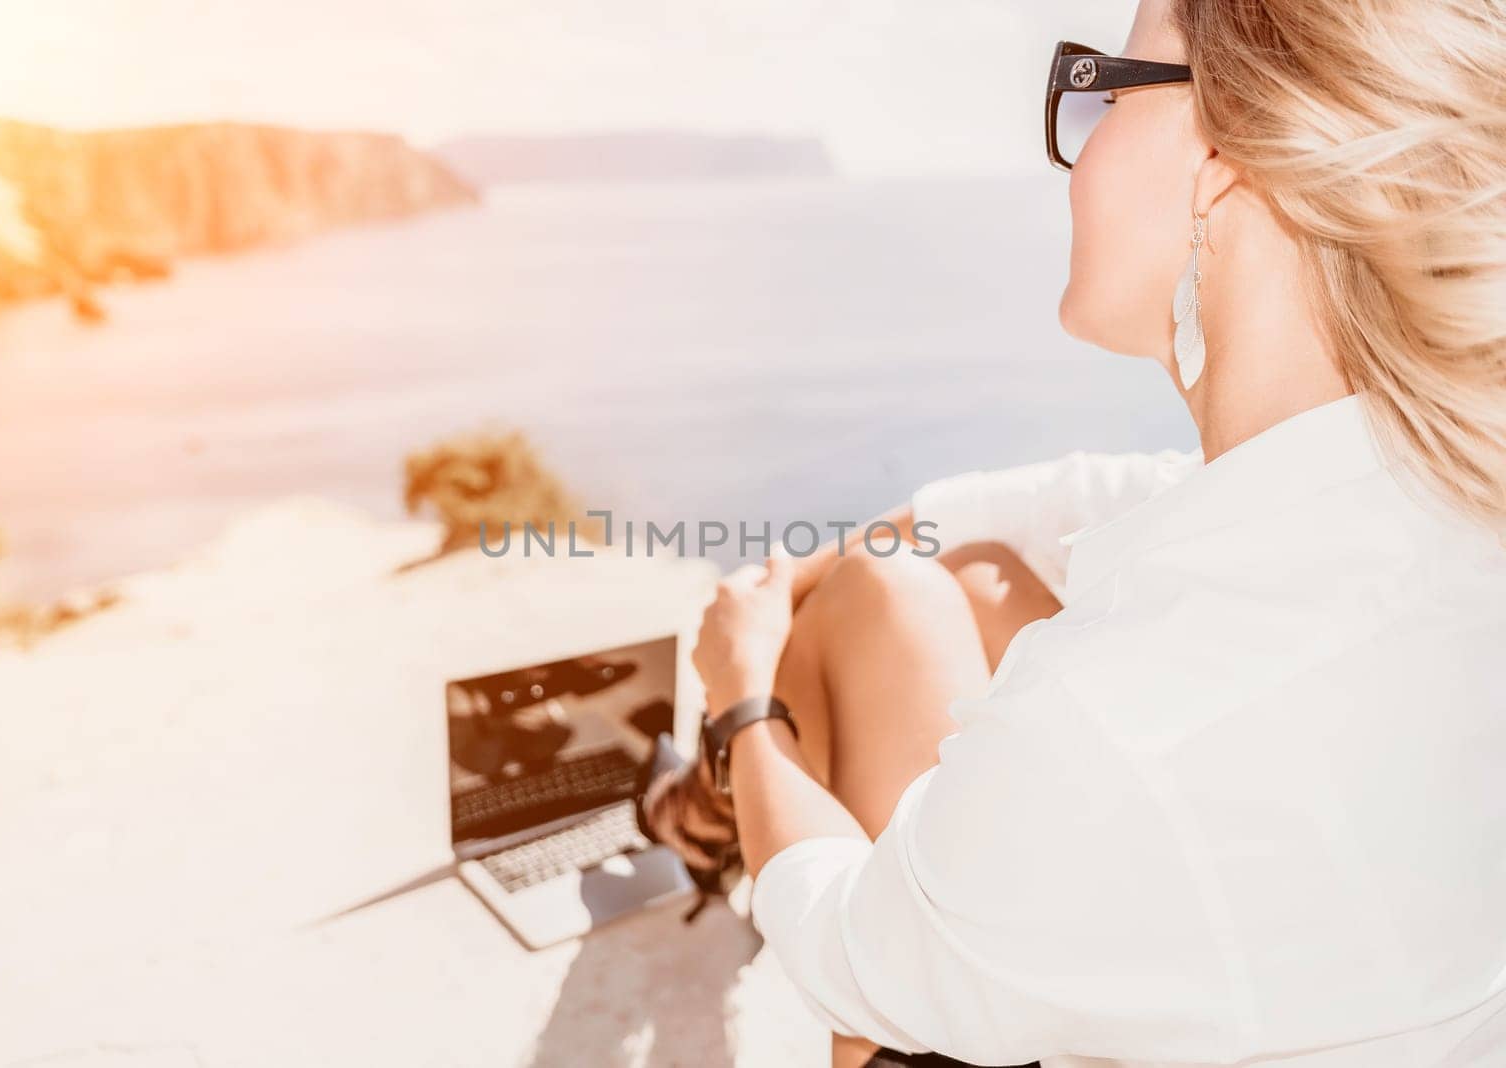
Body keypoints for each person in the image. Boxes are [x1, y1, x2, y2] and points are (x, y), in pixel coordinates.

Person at [639, 1, 1506, 1065]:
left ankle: (711, 806)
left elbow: (845, 948)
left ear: (1223, 160)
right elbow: (1060, 501)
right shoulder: (1412, 502)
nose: (1076, 151)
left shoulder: (1133, 714)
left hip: (940, 948)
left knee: (880, 602)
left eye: (1104, 86)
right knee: (957, 579)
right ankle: (713, 810)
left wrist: (742, 703)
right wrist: (796, 583)